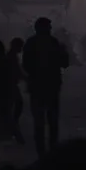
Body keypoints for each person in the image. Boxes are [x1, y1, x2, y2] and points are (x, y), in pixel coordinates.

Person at [23, 17, 70, 158]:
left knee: (39, 121)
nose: (50, 29)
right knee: (52, 120)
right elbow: (65, 63)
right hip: (51, 86)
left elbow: (26, 65)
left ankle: (41, 151)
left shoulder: (31, 43)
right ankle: (52, 149)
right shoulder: (54, 43)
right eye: (48, 27)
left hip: (37, 86)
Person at [7, 38, 26, 144]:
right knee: (16, 106)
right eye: (20, 46)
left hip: (10, 85)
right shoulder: (11, 57)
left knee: (14, 107)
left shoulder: (12, 56)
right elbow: (17, 72)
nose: (21, 49)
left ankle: (13, 129)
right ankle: (14, 129)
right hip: (10, 86)